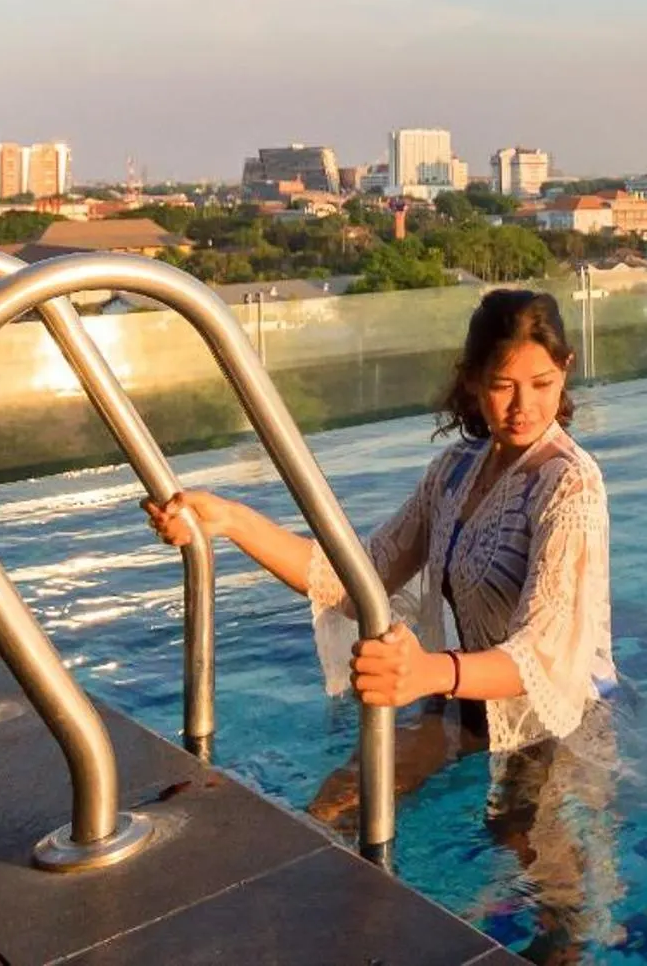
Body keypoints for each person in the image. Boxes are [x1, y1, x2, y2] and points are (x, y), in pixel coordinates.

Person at [145, 287, 618, 957]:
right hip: (467, 700)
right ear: (472, 383)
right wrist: (228, 521)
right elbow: (354, 579)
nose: (522, 406)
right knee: (335, 803)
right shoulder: (454, 474)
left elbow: (546, 654)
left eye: (541, 382)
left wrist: (428, 672)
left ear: (565, 368)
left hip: (553, 714)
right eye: (501, 385)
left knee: (531, 856)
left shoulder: (570, 486)